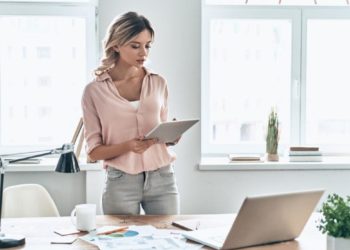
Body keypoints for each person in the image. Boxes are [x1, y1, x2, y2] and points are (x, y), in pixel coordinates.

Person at [81, 11, 180, 215]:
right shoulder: (94, 91)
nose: (143, 53)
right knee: (119, 243)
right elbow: (93, 151)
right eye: (135, 46)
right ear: (116, 45)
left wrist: (171, 136)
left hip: (163, 178)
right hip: (121, 182)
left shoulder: (158, 82)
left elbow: (159, 130)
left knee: (171, 241)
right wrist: (128, 146)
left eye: (147, 45)